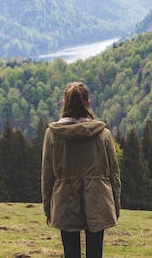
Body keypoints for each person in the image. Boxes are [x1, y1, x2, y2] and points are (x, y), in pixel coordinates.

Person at [41, 82, 121, 258]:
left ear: (64, 103)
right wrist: (115, 205)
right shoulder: (103, 134)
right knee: (95, 253)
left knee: (70, 253)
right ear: (88, 103)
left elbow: (47, 175)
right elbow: (114, 174)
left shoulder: (53, 135)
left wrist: (48, 209)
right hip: (98, 200)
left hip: (64, 201)